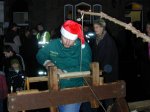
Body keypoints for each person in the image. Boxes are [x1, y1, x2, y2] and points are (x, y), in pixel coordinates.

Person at [36, 20, 91, 112]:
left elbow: (85, 67)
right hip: (54, 87)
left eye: (71, 39)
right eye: (65, 38)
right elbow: (40, 54)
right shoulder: (54, 44)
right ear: (61, 34)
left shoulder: (83, 48)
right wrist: (48, 63)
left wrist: (65, 73)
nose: (67, 42)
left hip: (74, 87)